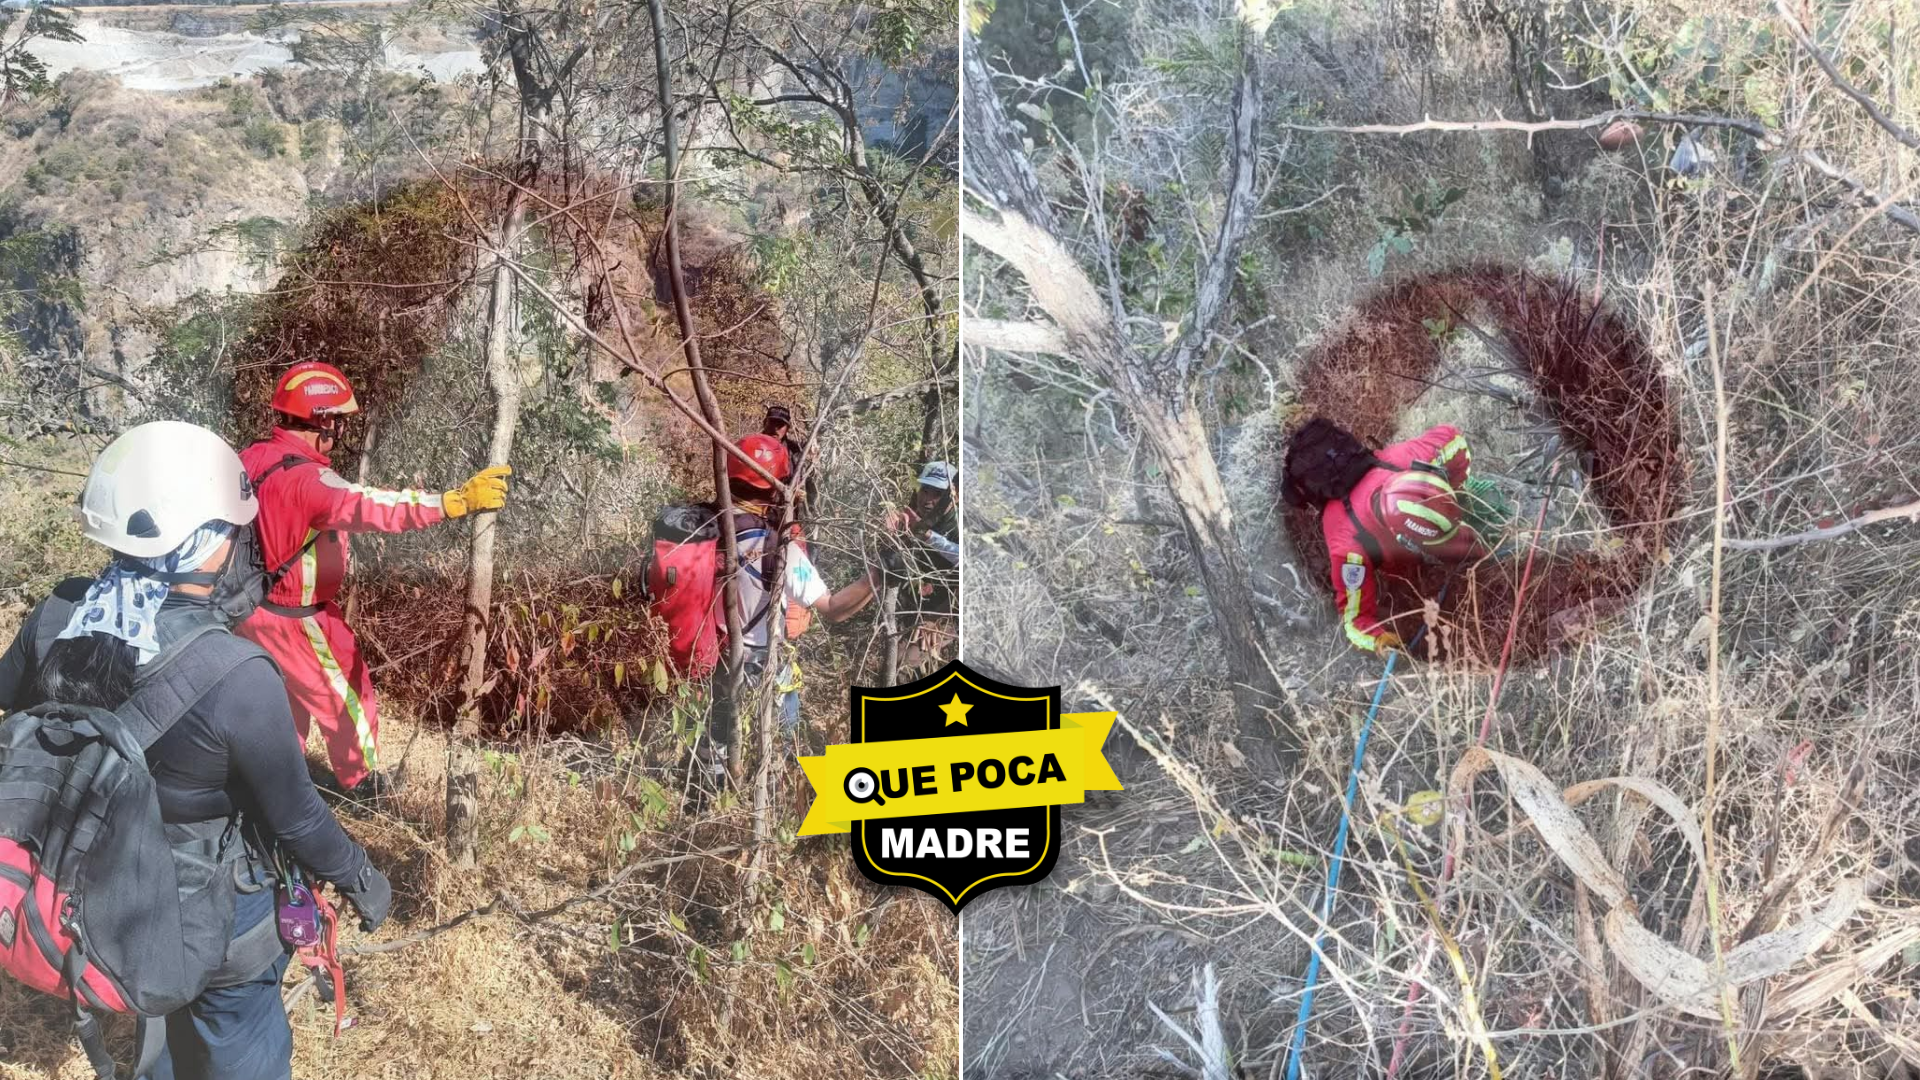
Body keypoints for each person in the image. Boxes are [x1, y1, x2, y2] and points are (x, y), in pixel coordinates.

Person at [0, 421, 391, 1080]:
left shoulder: (58, 614)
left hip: (102, 891)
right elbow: (297, 819)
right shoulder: (237, 673)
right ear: (207, 541)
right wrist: (363, 880)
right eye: (233, 531)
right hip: (205, 913)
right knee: (238, 1036)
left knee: (162, 1031)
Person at [236, 361, 511, 798]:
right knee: (349, 698)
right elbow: (378, 507)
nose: (340, 431)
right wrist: (454, 502)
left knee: (284, 702)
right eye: (337, 421)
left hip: (248, 611)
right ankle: (364, 788)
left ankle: (276, 781)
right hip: (298, 618)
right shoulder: (313, 482)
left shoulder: (250, 457)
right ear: (322, 420)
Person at [713, 433, 877, 757]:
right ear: (777, 486)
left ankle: (712, 793)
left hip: (711, 658)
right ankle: (773, 782)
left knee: (717, 742)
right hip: (761, 663)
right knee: (782, 742)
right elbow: (833, 608)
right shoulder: (779, 549)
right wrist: (879, 574)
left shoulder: (705, 530)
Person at [1282, 417, 1486, 653]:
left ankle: (1462, 540)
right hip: (1408, 573)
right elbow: (1356, 621)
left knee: (1465, 544)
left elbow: (1455, 440)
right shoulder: (1347, 543)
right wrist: (1385, 643)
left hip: (1445, 530)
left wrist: (1459, 489)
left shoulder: (1405, 460)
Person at [882, 461, 959, 677]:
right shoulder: (913, 517)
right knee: (893, 659)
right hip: (914, 606)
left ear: (953, 496)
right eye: (924, 490)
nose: (928, 499)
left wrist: (935, 619)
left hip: (945, 612)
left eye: (938, 494)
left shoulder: (959, 526)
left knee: (904, 667)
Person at [761, 404, 816, 511]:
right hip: (755, 507)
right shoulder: (750, 446)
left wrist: (797, 494)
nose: (775, 428)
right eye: (772, 423)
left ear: (787, 429)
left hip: (783, 510)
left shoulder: (795, 451)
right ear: (765, 423)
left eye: (780, 425)